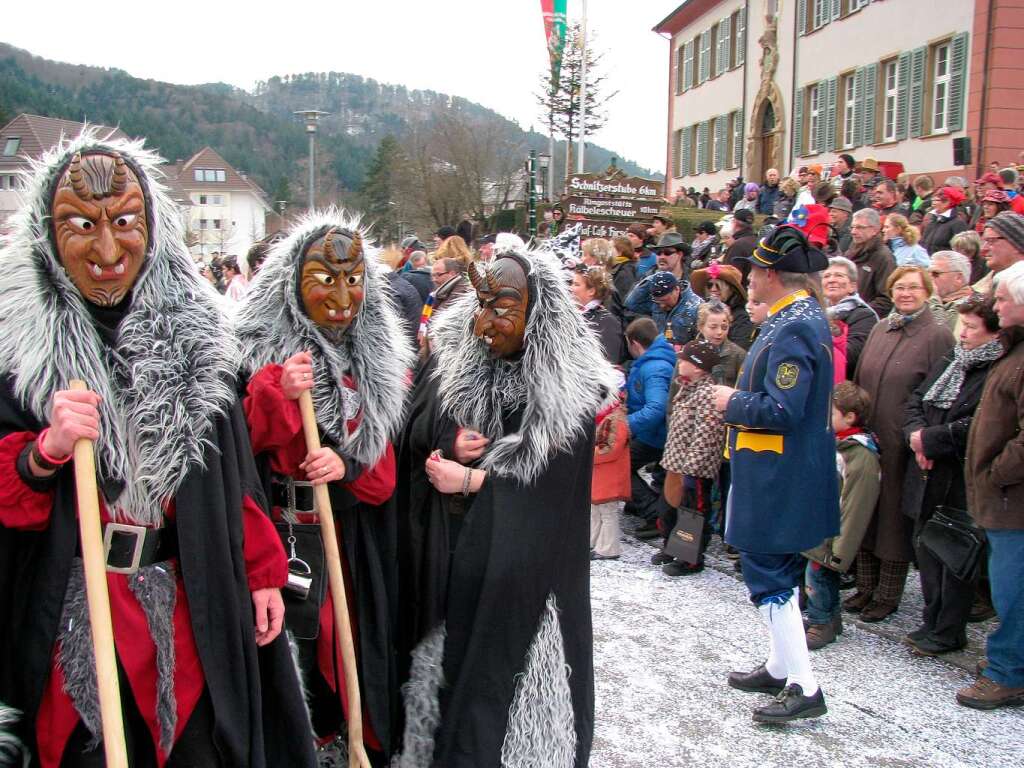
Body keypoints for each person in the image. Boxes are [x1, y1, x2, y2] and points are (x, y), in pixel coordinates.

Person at [0, 135, 315, 767]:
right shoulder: (19, 351)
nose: (109, 250)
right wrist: (46, 450)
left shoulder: (200, 343)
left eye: (124, 223)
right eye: (82, 226)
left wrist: (261, 575)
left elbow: (229, 476)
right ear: (46, 235)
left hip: (184, 600)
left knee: (199, 747)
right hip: (75, 603)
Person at [395, 245, 616, 765]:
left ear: (536, 313)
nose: (483, 325)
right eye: (481, 305)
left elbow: (549, 501)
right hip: (451, 566)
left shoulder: (568, 389)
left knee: (494, 700)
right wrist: (450, 441)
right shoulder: (456, 359)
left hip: (522, 590)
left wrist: (472, 481)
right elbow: (415, 426)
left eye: (502, 309)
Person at [235, 216, 415, 763]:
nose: (342, 297)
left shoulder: (378, 366)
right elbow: (240, 444)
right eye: (324, 278)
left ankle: (349, 734)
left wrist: (347, 463)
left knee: (346, 644)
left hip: (344, 533)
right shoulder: (253, 354)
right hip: (278, 533)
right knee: (289, 646)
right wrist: (278, 393)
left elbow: (382, 477)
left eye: (354, 278)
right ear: (292, 283)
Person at [713, 224, 839, 723]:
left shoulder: (794, 325)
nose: (748, 279)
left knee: (768, 573)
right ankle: (781, 663)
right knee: (772, 569)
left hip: (777, 471)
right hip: (775, 468)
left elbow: (784, 409)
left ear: (769, 274)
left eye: (753, 271)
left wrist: (732, 401)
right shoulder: (796, 317)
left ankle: (805, 687)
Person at [848, 266, 955, 622]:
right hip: (868, 437)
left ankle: (888, 593)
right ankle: (864, 586)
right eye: (899, 288)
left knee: (893, 518)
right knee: (865, 509)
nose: (905, 293)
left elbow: (937, 393)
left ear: (927, 292)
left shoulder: (937, 335)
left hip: (903, 443)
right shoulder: (881, 327)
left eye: (913, 288)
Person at [903, 296, 1002, 658]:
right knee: (926, 549)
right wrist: (916, 438)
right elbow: (916, 400)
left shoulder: (994, 369)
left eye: (972, 328)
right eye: (962, 326)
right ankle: (932, 620)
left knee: (954, 554)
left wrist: (930, 441)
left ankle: (949, 629)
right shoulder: (951, 361)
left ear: (993, 333)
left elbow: (979, 424)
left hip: (958, 476)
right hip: (927, 470)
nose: (962, 335)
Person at [958, 260, 1024, 710]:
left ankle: (1007, 672)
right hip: (1002, 497)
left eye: (1002, 299)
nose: (995, 307)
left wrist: (995, 473)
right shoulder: (1014, 351)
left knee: (1012, 589)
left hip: (1012, 499)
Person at [803, 381, 880, 650]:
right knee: (819, 577)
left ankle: (820, 622)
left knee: (818, 578)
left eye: (831, 413)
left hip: (832, 534)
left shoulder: (860, 456)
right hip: (817, 527)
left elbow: (856, 507)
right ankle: (829, 618)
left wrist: (841, 550)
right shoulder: (835, 444)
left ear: (850, 417)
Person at [656, 341, 725, 576]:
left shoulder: (707, 394)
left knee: (692, 514)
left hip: (693, 469)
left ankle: (690, 559)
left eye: (685, 360)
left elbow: (705, 435)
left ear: (698, 367)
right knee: (669, 506)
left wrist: (691, 470)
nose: (680, 362)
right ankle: (671, 546)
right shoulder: (686, 387)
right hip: (675, 462)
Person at [623, 318, 676, 535]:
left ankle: (653, 512)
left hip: (656, 435)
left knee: (620, 466)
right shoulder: (654, 361)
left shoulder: (654, 367)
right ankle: (640, 503)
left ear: (634, 343)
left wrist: (627, 425)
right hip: (652, 433)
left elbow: (656, 408)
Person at [590, 388, 631, 561]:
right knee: (595, 510)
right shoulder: (604, 417)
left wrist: (586, 456)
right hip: (600, 475)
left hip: (609, 476)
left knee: (607, 512)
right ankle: (594, 541)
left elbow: (610, 449)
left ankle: (608, 548)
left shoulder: (615, 420)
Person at [822, 257, 879, 378]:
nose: (831, 280)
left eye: (839, 275)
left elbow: (851, 356)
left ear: (852, 286)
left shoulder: (864, 315)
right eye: (826, 276)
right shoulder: (817, 311)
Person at [623, 233, 690, 320]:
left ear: (680, 254)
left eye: (667, 252)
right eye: (658, 253)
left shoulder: (693, 280)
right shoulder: (646, 279)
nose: (661, 257)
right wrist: (651, 322)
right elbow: (627, 309)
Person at [844, 208, 896, 316]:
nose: (853, 232)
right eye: (852, 227)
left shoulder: (884, 257)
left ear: (875, 230)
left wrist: (857, 312)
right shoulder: (851, 252)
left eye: (860, 227)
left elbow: (886, 300)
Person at [690, 263, 754, 350]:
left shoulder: (741, 317)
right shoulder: (701, 311)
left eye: (718, 286)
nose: (713, 289)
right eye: (709, 285)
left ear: (730, 289)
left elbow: (739, 350)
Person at [571, 265, 625, 363]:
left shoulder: (607, 322)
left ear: (591, 291)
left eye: (576, 284)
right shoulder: (574, 315)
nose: (571, 288)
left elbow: (609, 362)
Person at [695, 300, 747, 387]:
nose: (719, 332)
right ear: (701, 327)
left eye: (724, 327)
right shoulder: (688, 353)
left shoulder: (738, 355)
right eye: (713, 327)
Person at [974, 211, 1024, 295]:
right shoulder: (987, 283)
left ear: (1016, 244)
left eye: (991, 241)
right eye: (984, 242)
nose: (983, 249)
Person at [928, 250, 978, 332]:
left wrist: (933, 298)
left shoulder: (973, 303)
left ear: (958, 278)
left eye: (935, 273)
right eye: (927, 273)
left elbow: (942, 332)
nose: (929, 278)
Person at [650, 272, 702, 348]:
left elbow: (702, 343)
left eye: (665, 300)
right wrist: (653, 278)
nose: (662, 305)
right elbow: (631, 303)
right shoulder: (655, 302)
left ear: (677, 289)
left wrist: (680, 349)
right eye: (658, 302)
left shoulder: (697, 307)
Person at [921, 187, 969, 254]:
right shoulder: (932, 220)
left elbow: (961, 250)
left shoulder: (958, 223)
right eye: (933, 200)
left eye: (937, 200)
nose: (933, 203)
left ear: (947, 202)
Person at [724, 208, 758, 281]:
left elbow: (729, 276)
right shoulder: (757, 240)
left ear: (735, 222)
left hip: (740, 290)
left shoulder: (738, 245)